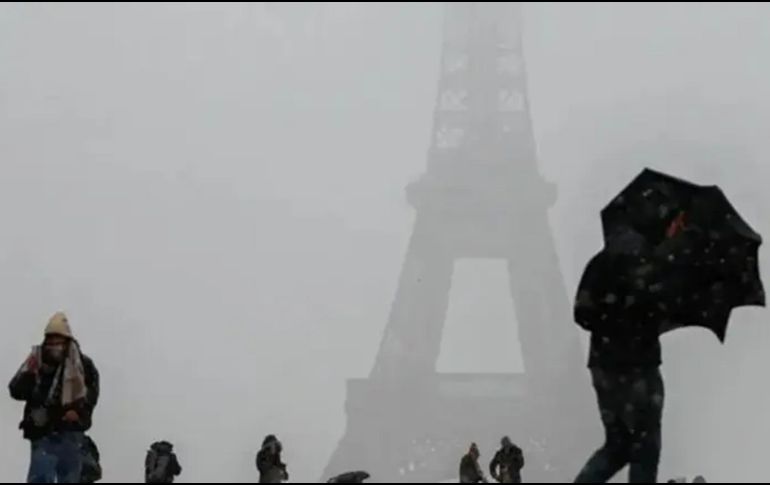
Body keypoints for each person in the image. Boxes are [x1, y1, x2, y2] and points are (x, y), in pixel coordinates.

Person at [573, 222, 680, 483]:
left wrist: (612, 320)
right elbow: (665, 311)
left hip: (604, 365)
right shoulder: (652, 265)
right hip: (640, 364)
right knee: (646, 446)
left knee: (617, 445)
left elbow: (582, 314)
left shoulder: (600, 264)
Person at [8, 311, 100, 483]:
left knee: (69, 477)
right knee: (41, 477)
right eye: (50, 341)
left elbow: (91, 394)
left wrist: (79, 412)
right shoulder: (35, 362)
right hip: (41, 429)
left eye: (58, 341)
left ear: (67, 341)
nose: (53, 346)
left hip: (70, 431)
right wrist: (29, 376)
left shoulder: (82, 365)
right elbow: (16, 390)